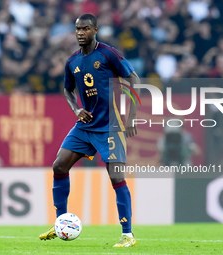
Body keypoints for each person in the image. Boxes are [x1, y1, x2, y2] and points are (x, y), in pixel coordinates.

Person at [39, 14, 140, 248]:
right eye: (77, 29)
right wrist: (76, 110)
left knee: (116, 177)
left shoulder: (108, 54)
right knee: (59, 166)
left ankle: (128, 235)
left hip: (110, 127)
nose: (80, 33)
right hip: (85, 125)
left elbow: (133, 78)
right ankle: (60, 223)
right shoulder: (72, 61)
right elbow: (67, 90)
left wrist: (131, 116)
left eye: (85, 28)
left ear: (95, 30)